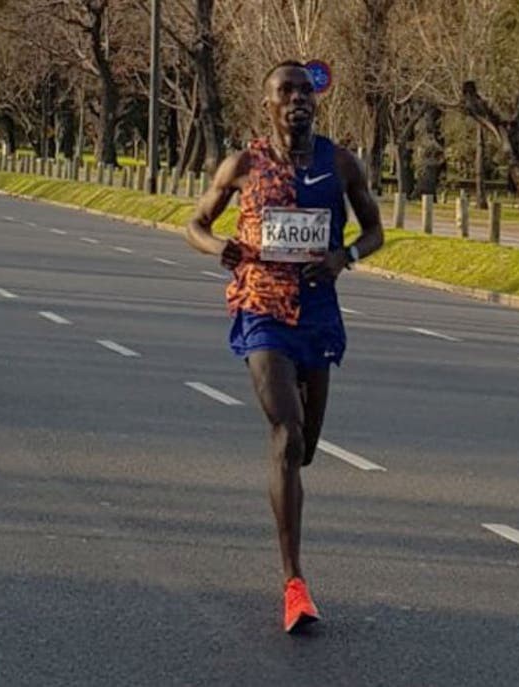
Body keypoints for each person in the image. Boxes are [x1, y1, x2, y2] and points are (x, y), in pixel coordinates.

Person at [185, 60, 383, 634]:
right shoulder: (243, 165)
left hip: (317, 311)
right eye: (284, 91)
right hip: (261, 305)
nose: (297, 99)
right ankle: (294, 581)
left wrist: (346, 256)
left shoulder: (340, 163)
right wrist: (214, 246)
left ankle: (292, 471)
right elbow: (194, 223)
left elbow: (375, 231)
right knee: (286, 433)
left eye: (304, 91)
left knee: (307, 447)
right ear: (267, 104)